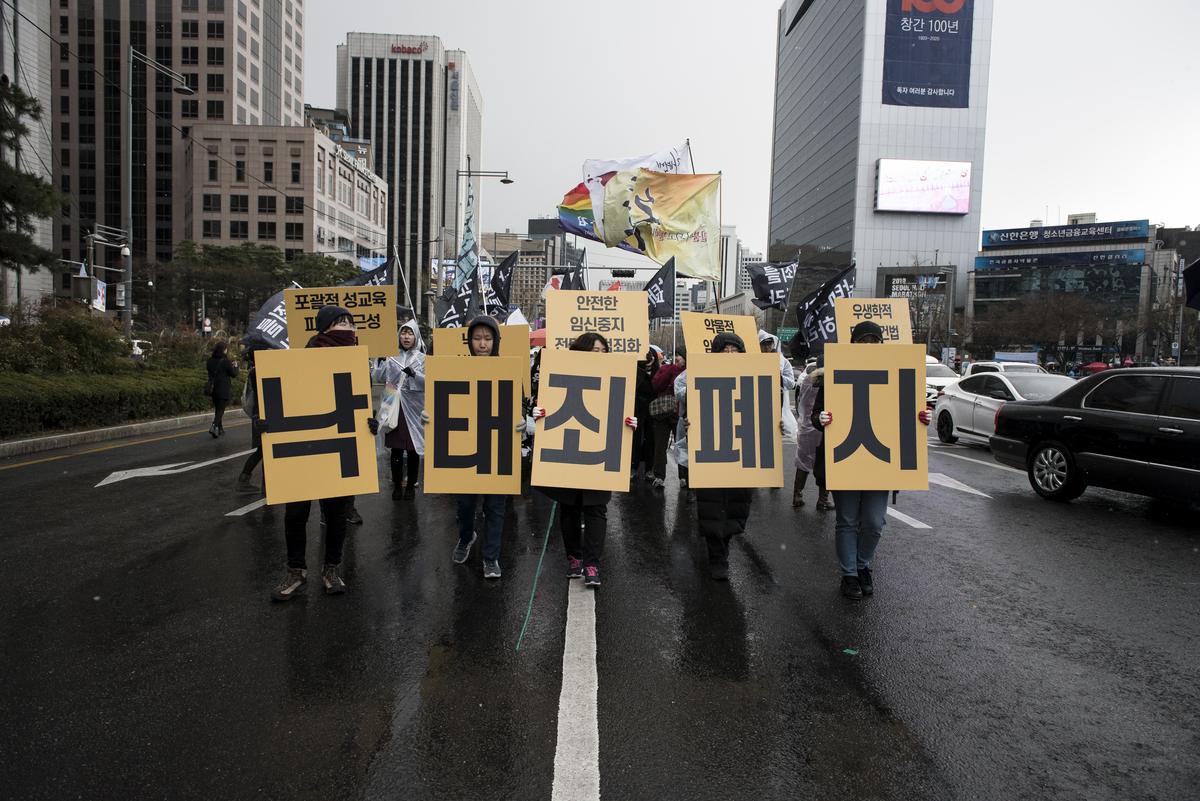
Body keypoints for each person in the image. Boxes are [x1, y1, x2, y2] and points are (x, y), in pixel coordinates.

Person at [814, 320, 931, 600]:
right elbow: (815, 414)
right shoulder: (835, 372)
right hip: (846, 459)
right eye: (862, 341)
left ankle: (862, 565)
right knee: (847, 520)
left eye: (874, 341)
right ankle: (849, 575)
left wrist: (921, 417)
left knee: (875, 522)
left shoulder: (897, 372)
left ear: (882, 345)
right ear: (852, 345)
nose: (868, 346)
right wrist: (821, 418)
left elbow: (906, 409)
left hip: (879, 463)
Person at [271, 306, 379, 601]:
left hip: (337, 447)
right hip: (302, 445)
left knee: (335, 514)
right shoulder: (300, 359)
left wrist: (370, 423)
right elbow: (286, 397)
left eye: (351, 323)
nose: (348, 328)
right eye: (340, 323)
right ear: (324, 328)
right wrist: (266, 420)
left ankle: (332, 569)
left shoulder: (358, 363)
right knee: (295, 514)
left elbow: (359, 404)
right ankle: (295, 572)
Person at [532, 332, 637, 587]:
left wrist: (630, 422)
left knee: (596, 508)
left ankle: (592, 564)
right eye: (594, 350)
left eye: (604, 351)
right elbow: (545, 401)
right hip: (570, 448)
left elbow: (623, 408)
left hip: (600, 452)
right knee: (569, 506)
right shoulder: (562, 372)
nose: (599, 355)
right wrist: (538, 412)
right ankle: (574, 558)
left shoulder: (616, 376)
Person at [429, 315, 526, 580]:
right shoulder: (456, 368)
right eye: (477, 338)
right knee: (464, 504)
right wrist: (430, 416)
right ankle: (465, 538)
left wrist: (521, 420)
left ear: (496, 341)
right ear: (469, 341)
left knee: (495, 506)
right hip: (466, 446)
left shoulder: (508, 369)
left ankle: (491, 557)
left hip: (496, 447)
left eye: (488, 338)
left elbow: (519, 404)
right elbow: (442, 402)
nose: (482, 344)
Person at [681, 333, 760, 580]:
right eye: (724, 350)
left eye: (734, 350)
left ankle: (724, 547)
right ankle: (717, 557)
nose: (729, 355)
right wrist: (689, 423)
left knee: (737, 504)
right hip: (712, 449)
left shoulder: (753, 378)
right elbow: (691, 410)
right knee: (712, 504)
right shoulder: (700, 377)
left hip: (741, 451)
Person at [372, 319, 425, 500]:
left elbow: (429, 382)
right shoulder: (391, 357)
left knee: (412, 449)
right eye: (403, 333)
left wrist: (415, 375)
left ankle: (410, 485)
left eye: (410, 333)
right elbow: (380, 377)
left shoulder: (422, 359)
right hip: (393, 407)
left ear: (415, 337)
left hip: (414, 410)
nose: (406, 337)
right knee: (395, 449)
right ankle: (396, 485)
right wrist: (379, 359)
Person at [791, 359, 826, 507]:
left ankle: (797, 495)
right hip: (824, 425)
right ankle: (823, 499)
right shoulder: (831, 379)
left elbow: (801, 402)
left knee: (803, 461)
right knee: (825, 462)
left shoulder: (807, 379)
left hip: (807, 424)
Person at [651, 348, 685, 490]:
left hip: (680, 416)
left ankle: (684, 477)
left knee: (682, 447)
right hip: (662, 414)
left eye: (679, 355)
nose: (676, 358)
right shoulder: (665, 368)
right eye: (675, 355)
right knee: (660, 446)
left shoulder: (689, 371)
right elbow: (656, 385)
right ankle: (659, 476)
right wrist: (670, 372)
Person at [235, 347, 263, 493]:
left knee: (264, 451)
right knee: (263, 450)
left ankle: (264, 484)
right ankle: (243, 480)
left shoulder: (255, 370)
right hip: (262, 415)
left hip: (260, 414)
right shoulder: (259, 371)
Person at [630, 346, 658, 480]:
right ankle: (633, 467)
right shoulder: (636, 371)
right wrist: (641, 368)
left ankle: (649, 468)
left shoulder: (658, 371)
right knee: (635, 439)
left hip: (653, 408)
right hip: (638, 407)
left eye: (651, 356)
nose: (649, 359)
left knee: (651, 439)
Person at [205, 341, 238, 438]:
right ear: (224, 350)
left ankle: (220, 428)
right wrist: (235, 367)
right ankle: (214, 426)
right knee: (221, 409)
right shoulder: (226, 361)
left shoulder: (209, 360)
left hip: (213, 388)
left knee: (217, 408)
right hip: (223, 388)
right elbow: (233, 374)